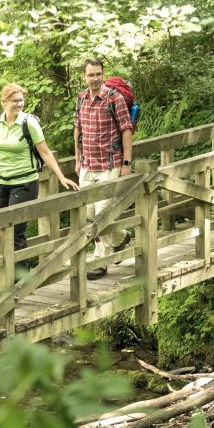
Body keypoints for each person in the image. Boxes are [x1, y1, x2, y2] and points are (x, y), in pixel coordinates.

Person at [0, 82, 79, 258]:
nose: (19, 104)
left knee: (16, 230)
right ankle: (8, 277)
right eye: (14, 101)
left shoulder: (29, 123)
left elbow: (45, 152)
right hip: (0, 182)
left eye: (21, 100)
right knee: (2, 229)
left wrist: (61, 177)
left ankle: (20, 281)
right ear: (4, 102)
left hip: (24, 183)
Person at [74, 58, 134, 280]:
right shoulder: (81, 98)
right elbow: (78, 129)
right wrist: (78, 159)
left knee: (102, 215)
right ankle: (121, 238)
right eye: (91, 75)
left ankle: (101, 261)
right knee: (88, 216)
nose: (95, 78)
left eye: (98, 74)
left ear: (103, 74)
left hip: (109, 166)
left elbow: (126, 130)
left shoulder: (114, 98)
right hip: (87, 166)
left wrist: (126, 164)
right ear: (84, 76)